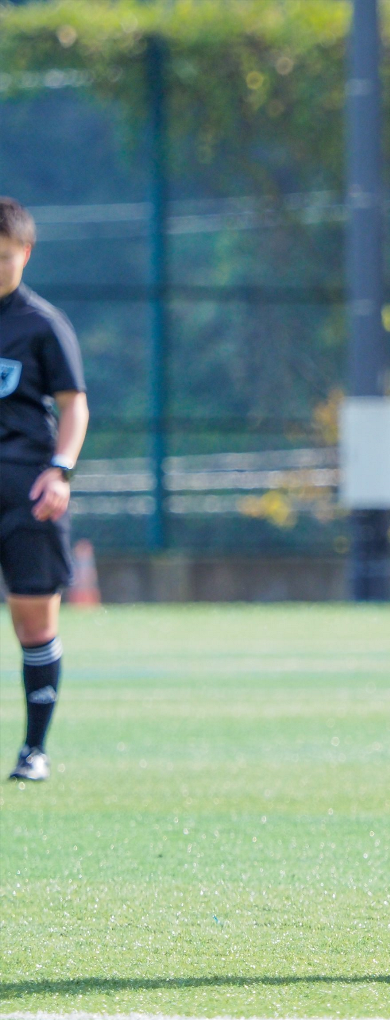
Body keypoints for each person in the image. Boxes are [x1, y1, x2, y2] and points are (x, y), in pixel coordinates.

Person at [0, 197, 89, 782]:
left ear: (25, 254)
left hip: (25, 491)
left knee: (34, 619)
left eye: (3, 257)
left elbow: (74, 404)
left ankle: (34, 750)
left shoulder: (41, 323)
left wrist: (60, 470)